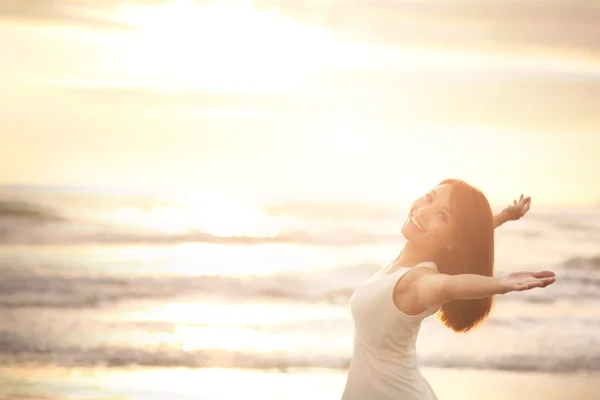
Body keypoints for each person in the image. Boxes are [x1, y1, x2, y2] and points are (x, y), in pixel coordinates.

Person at [341, 179, 554, 400]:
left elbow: (448, 286)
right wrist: (505, 216)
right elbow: (468, 234)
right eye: (429, 198)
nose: (423, 211)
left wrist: (500, 284)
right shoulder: (407, 262)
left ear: (454, 241)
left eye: (442, 216)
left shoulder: (417, 281)